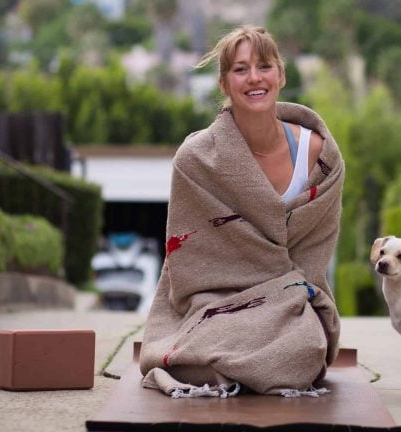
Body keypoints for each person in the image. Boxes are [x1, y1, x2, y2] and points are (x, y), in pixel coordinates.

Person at [139, 25, 345, 398]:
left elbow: (314, 252)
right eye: (240, 69)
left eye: (264, 66)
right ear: (224, 83)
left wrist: (283, 294)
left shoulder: (320, 157)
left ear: (280, 75)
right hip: (218, 301)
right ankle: (231, 366)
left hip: (292, 298)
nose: (254, 78)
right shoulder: (196, 159)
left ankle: (228, 370)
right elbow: (192, 261)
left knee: (305, 350)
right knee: (211, 338)